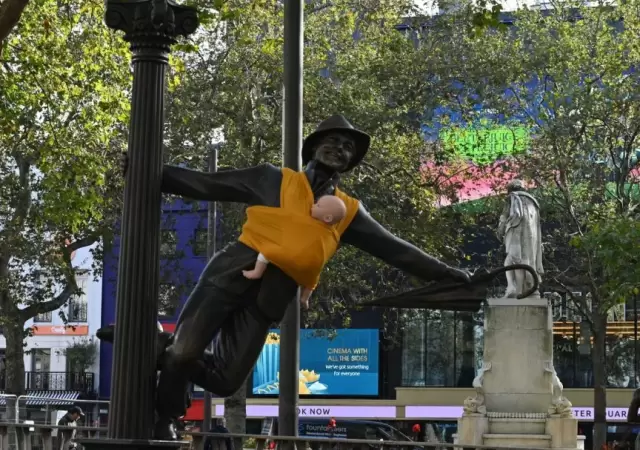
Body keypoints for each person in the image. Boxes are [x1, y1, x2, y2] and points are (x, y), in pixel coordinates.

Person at [100, 115, 470, 440]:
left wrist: (450, 273)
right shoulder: (271, 179)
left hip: (267, 301)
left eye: (347, 148)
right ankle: (167, 416)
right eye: (332, 141)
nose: (339, 149)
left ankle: (156, 344)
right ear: (313, 147)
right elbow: (206, 184)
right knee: (183, 356)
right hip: (228, 276)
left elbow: (397, 248)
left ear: (351, 162)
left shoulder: (348, 211)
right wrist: (149, 168)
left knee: (227, 381)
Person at [241, 194, 347, 309]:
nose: (313, 205)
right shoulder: (333, 236)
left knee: (265, 251)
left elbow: (287, 218)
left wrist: (256, 212)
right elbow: (327, 250)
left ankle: (257, 272)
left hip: (290, 257)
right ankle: (305, 299)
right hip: (310, 267)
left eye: (318, 205)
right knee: (312, 282)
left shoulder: (305, 221)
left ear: (327, 218)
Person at [497, 179, 544, 298]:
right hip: (531, 239)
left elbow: (505, 216)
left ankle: (514, 288)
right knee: (526, 261)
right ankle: (525, 289)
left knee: (512, 260)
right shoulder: (534, 203)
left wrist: (500, 230)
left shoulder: (513, 197)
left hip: (515, 233)